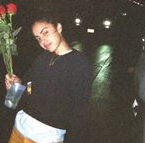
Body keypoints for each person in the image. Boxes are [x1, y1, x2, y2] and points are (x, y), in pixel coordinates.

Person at [5, 10, 92, 143]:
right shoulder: (42, 57)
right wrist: (17, 86)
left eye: (45, 32)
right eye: (38, 38)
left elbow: (78, 113)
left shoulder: (79, 64)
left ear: (59, 27)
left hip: (46, 137)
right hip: (20, 128)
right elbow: (29, 89)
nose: (43, 41)